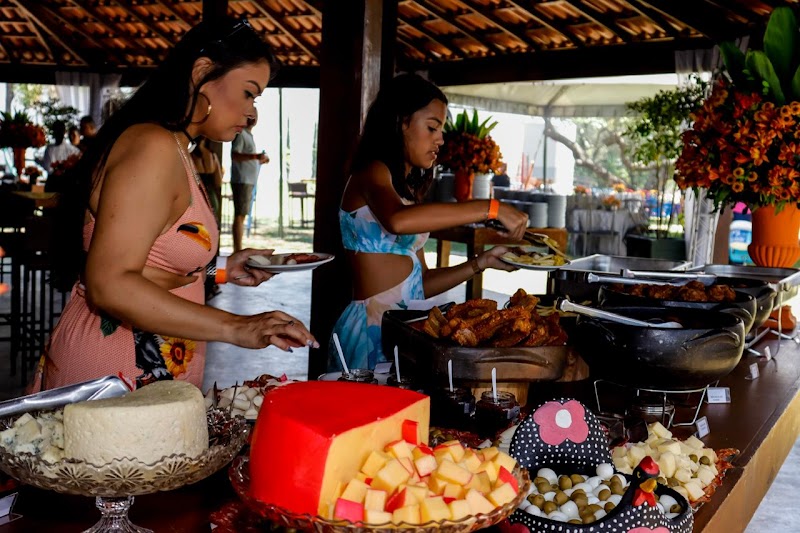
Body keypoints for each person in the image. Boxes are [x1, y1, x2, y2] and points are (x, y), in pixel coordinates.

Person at [33, 17, 317, 392]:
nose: (251, 113)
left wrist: (221, 270)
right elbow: (110, 283)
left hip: (145, 370)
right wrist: (239, 326)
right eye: (249, 93)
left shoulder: (177, 148)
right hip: (115, 372)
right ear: (202, 72)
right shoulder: (153, 147)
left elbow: (153, 260)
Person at [328, 74, 529, 372]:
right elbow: (396, 220)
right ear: (401, 122)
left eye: (441, 129)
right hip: (371, 328)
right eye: (432, 127)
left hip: (405, 327)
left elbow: (420, 283)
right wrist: (490, 208)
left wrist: (481, 263)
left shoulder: (407, 193)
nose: (440, 139)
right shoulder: (371, 173)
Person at [230, 110, 269, 252]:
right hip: (242, 180)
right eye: (250, 115)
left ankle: (238, 248)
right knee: (240, 215)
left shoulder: (248, 135)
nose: (253, 118)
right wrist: (255, 156)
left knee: (242, 214)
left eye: (255, 116)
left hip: (248, 180)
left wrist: (260, 160)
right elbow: (235, 155)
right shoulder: (241, 134)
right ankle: (237, 249)